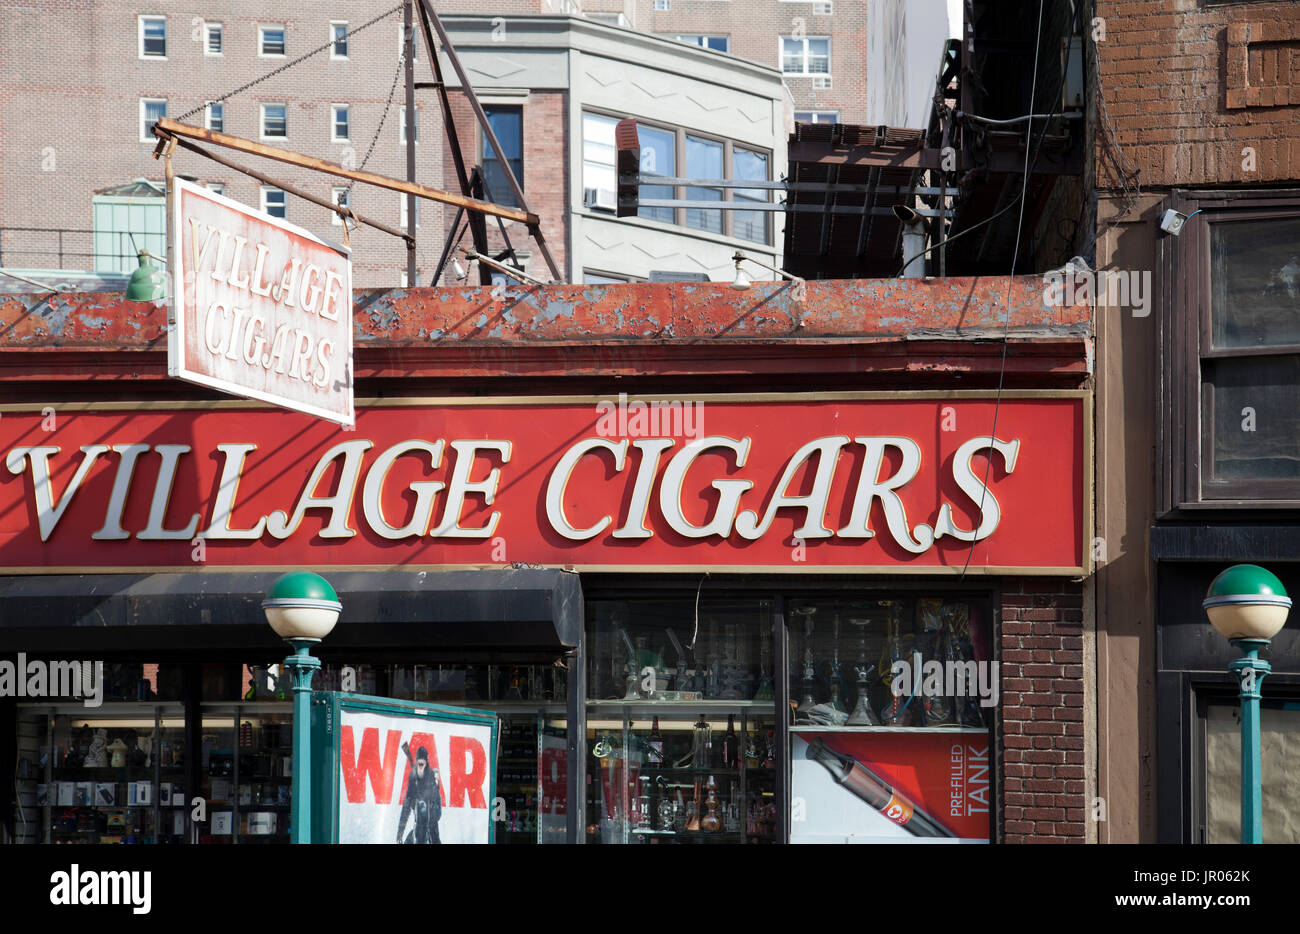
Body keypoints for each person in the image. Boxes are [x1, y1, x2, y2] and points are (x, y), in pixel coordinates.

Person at [396, 745, 442, 844]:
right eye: (419, 764)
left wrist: (428, 808)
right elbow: (406, 809)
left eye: (422, 764)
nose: (420, 767)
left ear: (426, 763)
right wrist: (400, 834)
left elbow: (438, 813)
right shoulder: (413, 779)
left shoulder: (431, 778)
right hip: (419, 826)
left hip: (431, 826)